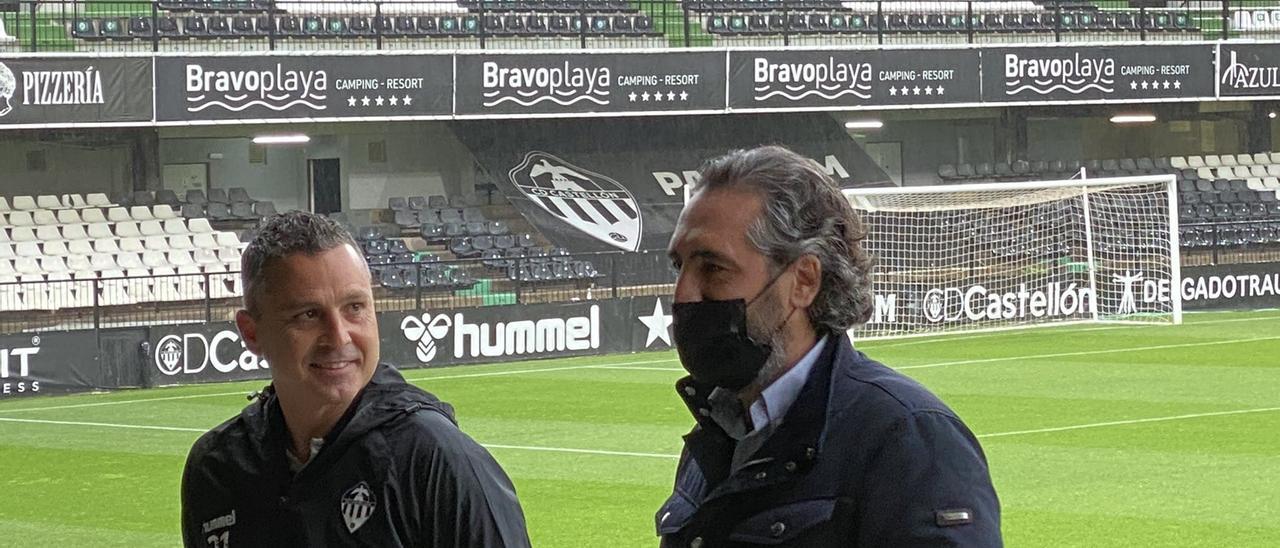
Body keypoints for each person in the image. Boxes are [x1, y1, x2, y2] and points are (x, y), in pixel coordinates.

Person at [657, 146, 1002, 547]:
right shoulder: (719, 430)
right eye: (679, 267)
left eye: (713, 268)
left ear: (804, 280)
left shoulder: (908, 439)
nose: (683, 296)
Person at [181, 211, 530, 547]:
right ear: (252, 333)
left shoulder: (440, 461)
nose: (339, 337)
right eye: (308, 314)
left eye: (355, 308)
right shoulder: (217, 468)